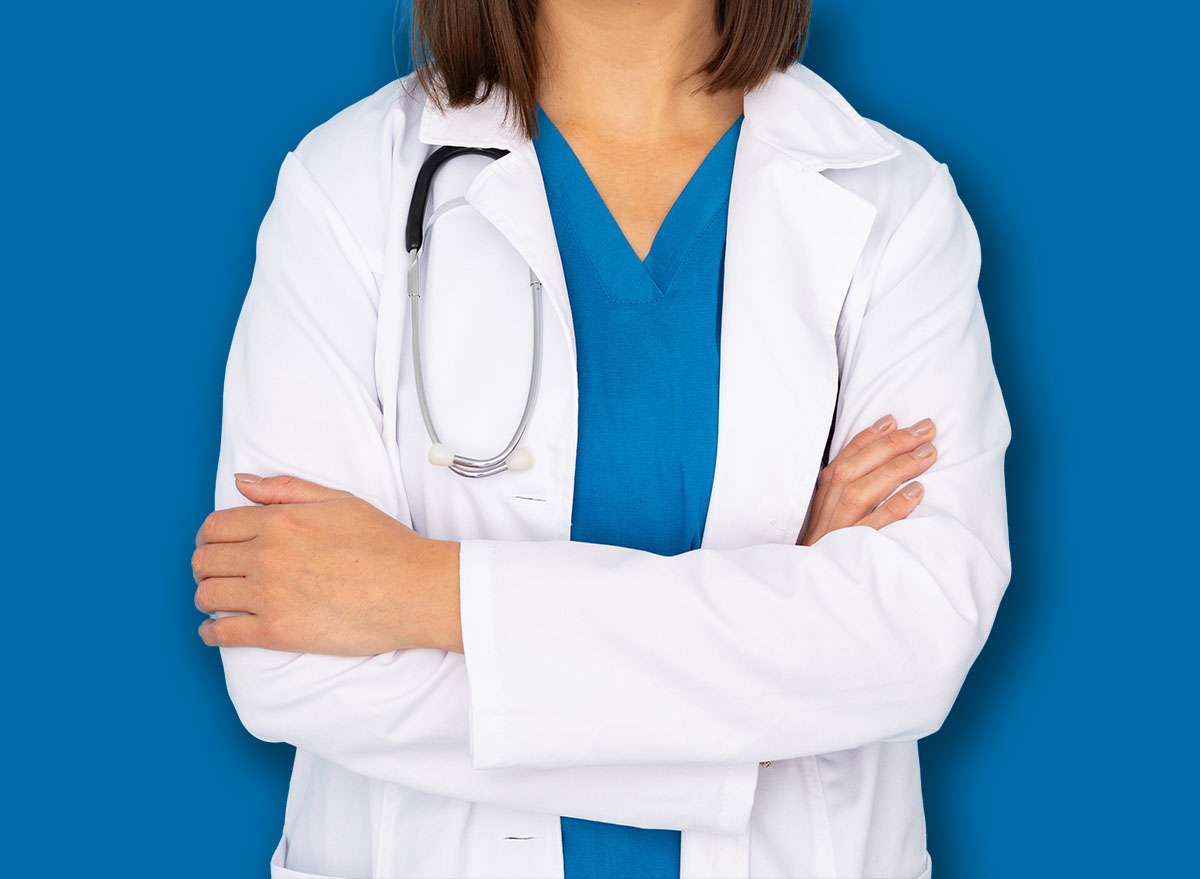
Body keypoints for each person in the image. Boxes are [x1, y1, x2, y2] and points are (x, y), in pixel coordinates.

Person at [191, 1, 1012, 876]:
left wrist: (430, 593)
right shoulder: (346, 188)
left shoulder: (894, 204)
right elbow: (292, 659)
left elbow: (912, 639)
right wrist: (766, 706)